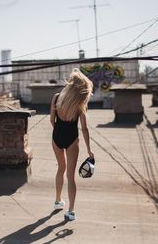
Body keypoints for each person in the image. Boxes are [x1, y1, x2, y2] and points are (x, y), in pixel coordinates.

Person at [50, 68, 95, 221]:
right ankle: (71, 211)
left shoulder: (56, 98)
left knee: (60, 169)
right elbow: (84, 128)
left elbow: (52, 121)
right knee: (71, 176)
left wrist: (59, 131)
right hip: (72, 140)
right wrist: (89, 149)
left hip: (56, 137)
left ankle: (57, 201)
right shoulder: (79, 103)